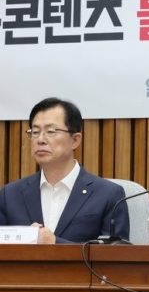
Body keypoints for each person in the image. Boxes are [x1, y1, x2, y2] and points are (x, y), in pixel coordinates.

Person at [0, 97, 129, 243]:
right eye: (35, 132)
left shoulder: (108, 195)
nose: (40, 139)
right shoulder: (9, 196)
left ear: (75, 140)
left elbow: (115, 253)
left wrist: (54, 243)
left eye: (51, 131)